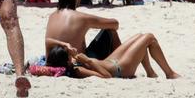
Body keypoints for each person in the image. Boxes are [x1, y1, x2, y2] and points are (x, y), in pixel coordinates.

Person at [45, 0, 156, 76]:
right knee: (110, 31)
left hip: (57, 58)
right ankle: (120, 62)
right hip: (80, 61)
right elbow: (115, 24)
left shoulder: (52, 16)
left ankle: (124, 63)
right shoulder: (81, 17)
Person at [46, 33, 180, 79]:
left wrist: (65, 45)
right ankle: (169, 73)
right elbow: (106, 77)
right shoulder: (78, 70)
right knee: (149, 37)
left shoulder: (72, 66)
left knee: (140, 36)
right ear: (67, 62)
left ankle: (150, 73)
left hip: (111, 61)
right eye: (68, 54)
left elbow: (48, 40)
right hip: (120, 69)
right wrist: (87, 61)